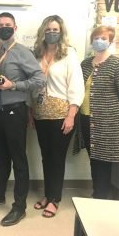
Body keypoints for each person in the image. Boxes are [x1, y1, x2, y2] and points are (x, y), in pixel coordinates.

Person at [0, 12, 46, 226]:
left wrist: (13, 85)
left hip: (14, 110)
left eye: (7, 25)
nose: (3, 28)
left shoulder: (23, 52)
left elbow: (39, 79)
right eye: (0, 25)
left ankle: (19, 206)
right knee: (1, 156)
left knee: (18, 159)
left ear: (15, 28)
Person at [28, 15, 84, 218]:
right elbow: (32, 85)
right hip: (41, 114)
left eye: (56, 29)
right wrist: (30, 111)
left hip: (62, 114)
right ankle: (47, 194)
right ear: (43, 32)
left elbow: (76, 85)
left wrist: (71, 115)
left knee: (57, 158)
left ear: (61, 32)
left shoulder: (69, 54)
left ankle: (55, 199)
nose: (52, 33)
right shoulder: (36, 55)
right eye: (49, 29)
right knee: (46, 157)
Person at [80, 25, 119, 199]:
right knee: (94, 158)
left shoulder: (118, 64)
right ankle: (99, 192)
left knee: (103, 161)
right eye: (96, 38)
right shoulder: (85, 64)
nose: (99, 41)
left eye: (104, 38)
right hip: (86, 120)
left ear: (111, 41)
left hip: (109, 122)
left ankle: (101, 195)